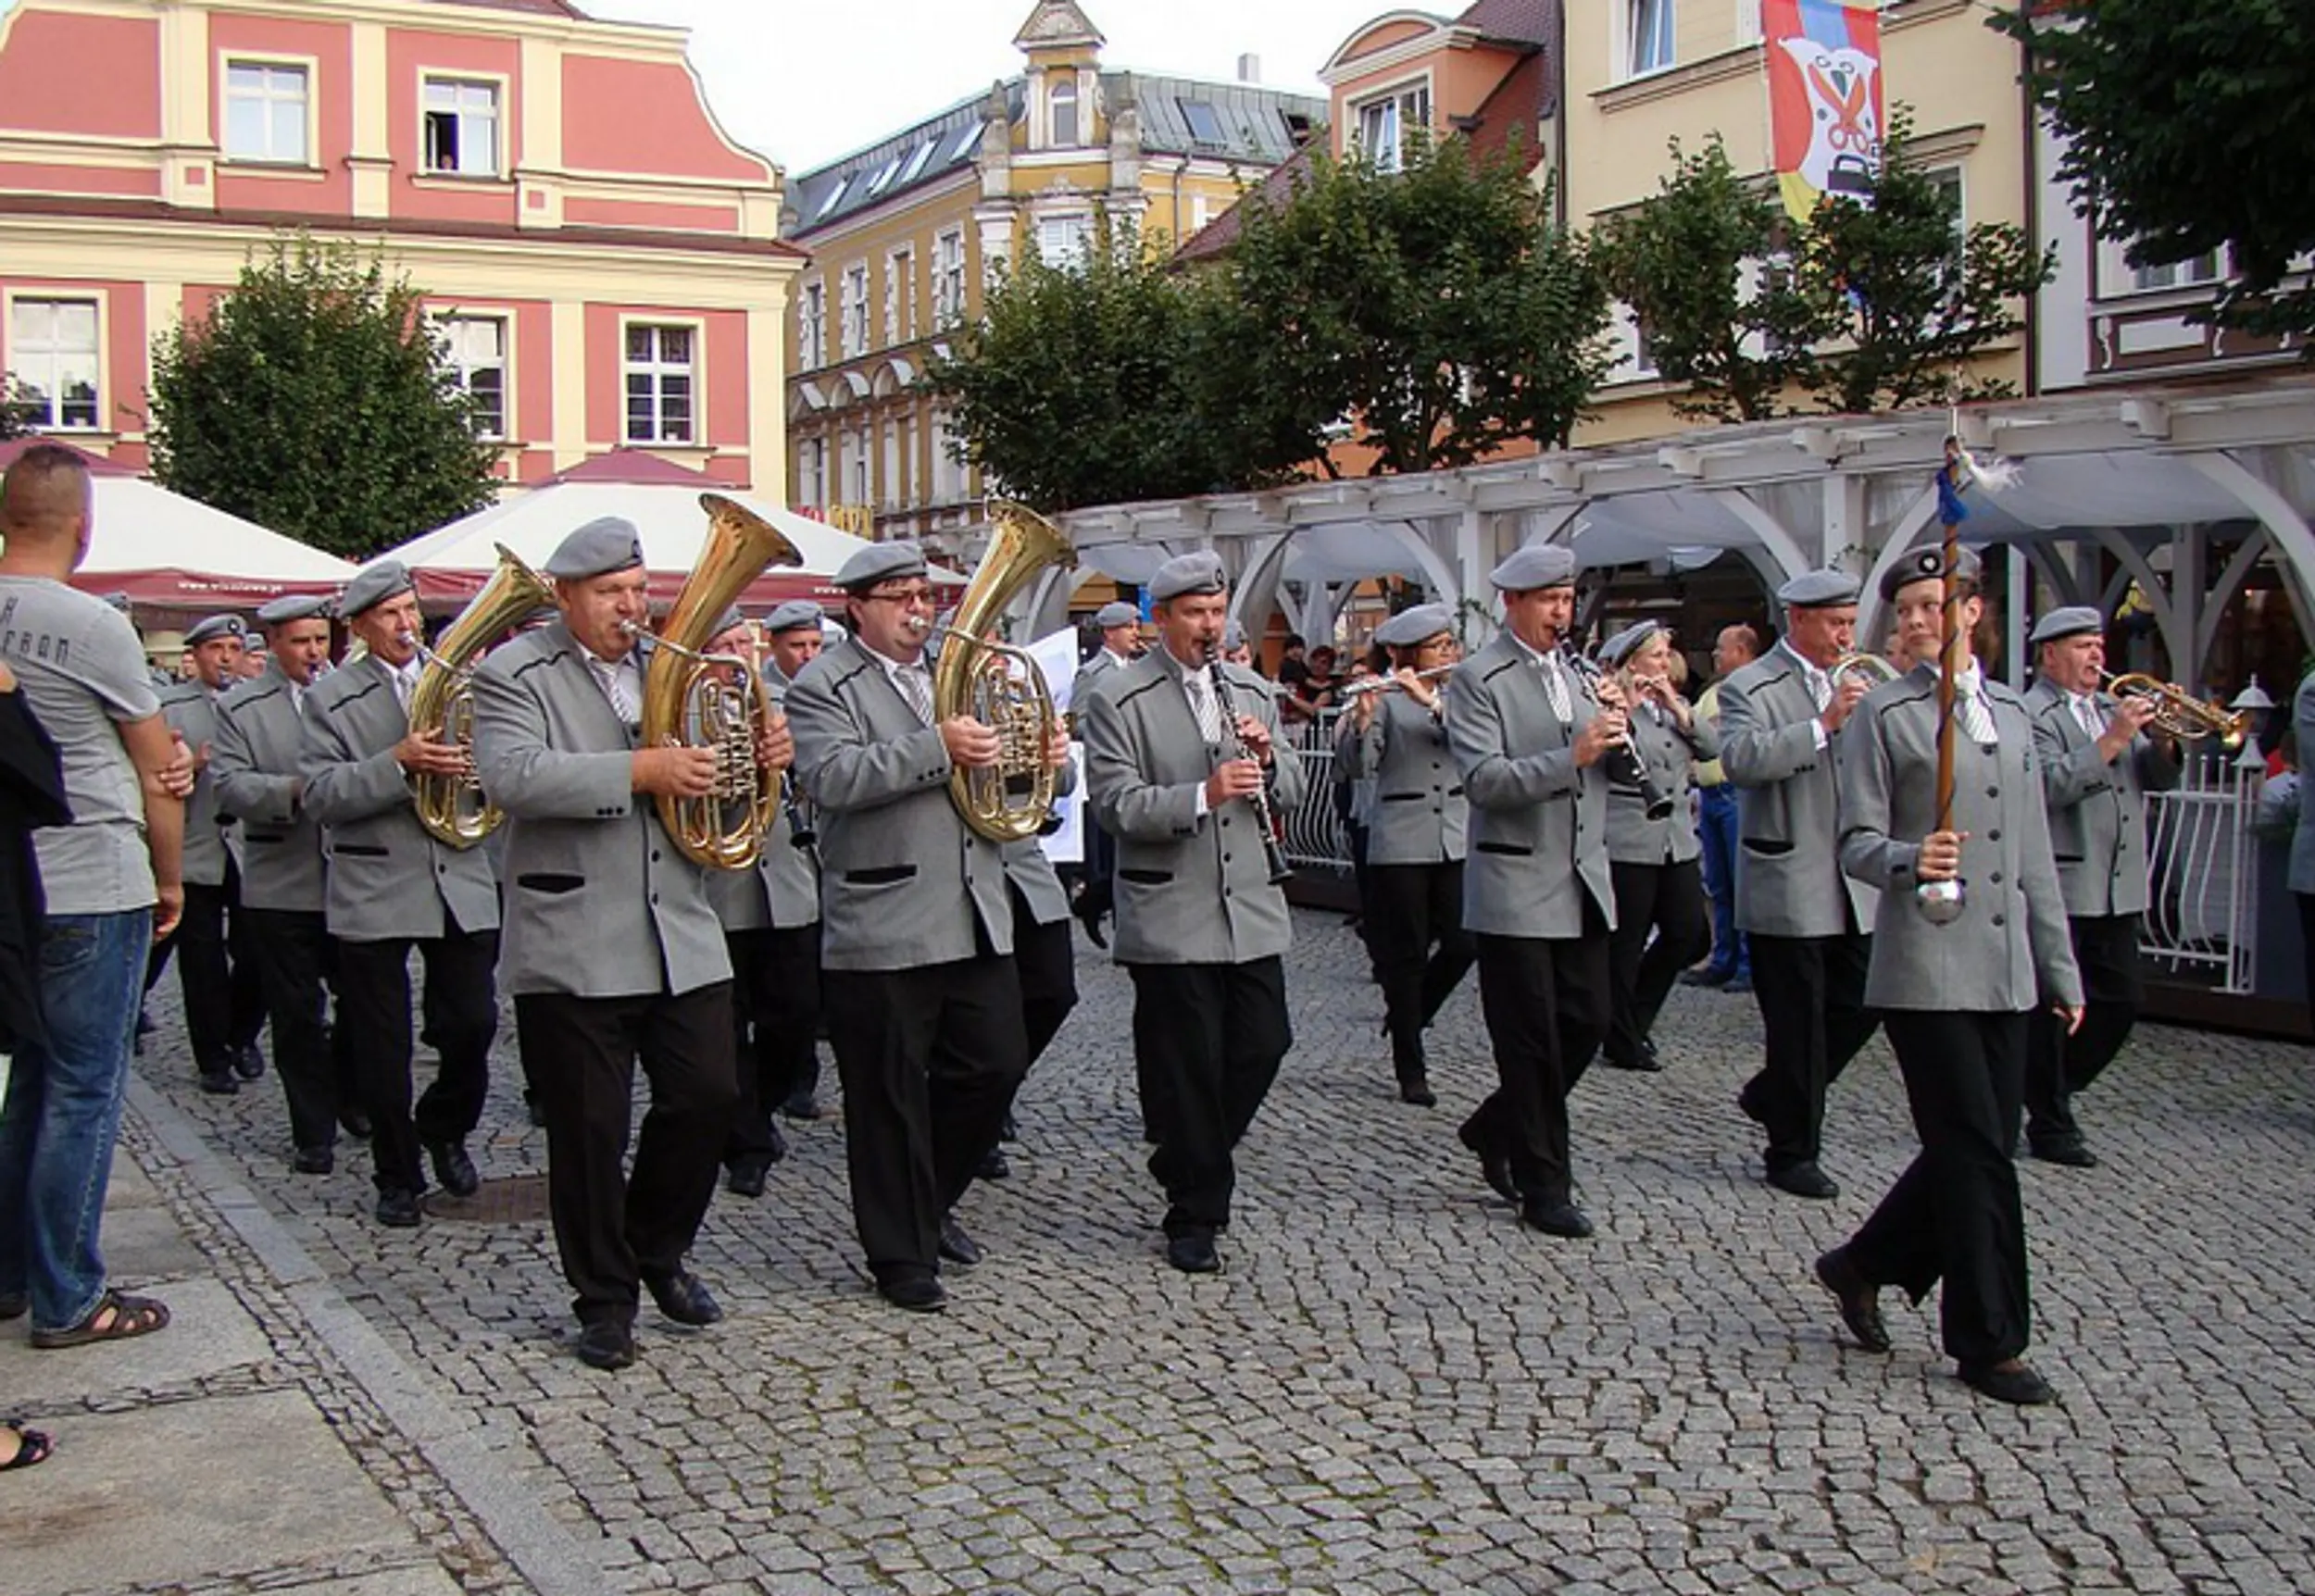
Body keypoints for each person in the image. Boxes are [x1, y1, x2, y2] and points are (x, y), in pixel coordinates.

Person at [471, 517, 776, 1371]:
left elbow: (719, 784)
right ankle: (604, 1300)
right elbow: (511, 777)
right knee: (588, 1132)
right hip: (573, 935)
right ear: (565, 596)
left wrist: (760, 758)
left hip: (679, 925)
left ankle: (653, 1246)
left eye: (639, 590)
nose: (631, 608)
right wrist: (637, 773)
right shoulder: (512, 673)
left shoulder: (671, 668)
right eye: (611, 594)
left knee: (710, 1097)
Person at [1816, 545, 2084, 1406]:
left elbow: (2033, 851)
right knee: (1975, 1151)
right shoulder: (1885, 718)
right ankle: (1989, 1341)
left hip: (2005, 966)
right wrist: (1908, 855)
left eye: (1935, 605)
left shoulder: (2007, 711)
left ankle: (1862, 1261)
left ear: (1973, 612)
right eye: (1906, 611)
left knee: (1980, 1143)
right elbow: (1853, 842)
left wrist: (2059, 965)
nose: (1919, 621)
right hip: (1926, 964)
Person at [785, 542, 1033, 1310]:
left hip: (970, 907)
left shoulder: (953, 675)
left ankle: (926, 1204)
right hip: (883, 913)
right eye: (900, 598)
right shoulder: (823, 683)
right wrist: (937, 746)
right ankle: (900, 1256)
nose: (919, 611)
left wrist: (1035, 759)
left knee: (996, 1064)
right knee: (887, 1093)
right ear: (857, 606)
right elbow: (829, 779)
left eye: (924, 596)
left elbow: (994, 778)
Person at [0, 443, 184, 1349]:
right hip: (90, 874)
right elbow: (161, 769)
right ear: (82, 524)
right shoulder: (94, 625)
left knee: (28, 1082)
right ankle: (71, 1290)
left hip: (11, 883)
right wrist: (171, 875)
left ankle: (9, 1272)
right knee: (84, 1086)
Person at [1082, 550, 1306, 1274]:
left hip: (1250, 906)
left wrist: (1270, 762)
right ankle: (1196, 1209)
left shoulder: (1250, 689)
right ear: (1162, 618)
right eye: (1195, 614)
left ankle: (1184, 1155)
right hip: (1170, 906)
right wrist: (1200, 795)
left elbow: (1296, 788)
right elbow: (1114, 804)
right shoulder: (1119, 698)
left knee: (1263, 1043)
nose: (1210, 627)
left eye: (1217, 613)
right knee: (1185, 1064)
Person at [300, 561, 504, 1228]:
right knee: (380, 1043)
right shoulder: (332, 699)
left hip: (460, 876)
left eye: (411, 610)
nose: (405, 624)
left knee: (474, 1023)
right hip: (374, 879)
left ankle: (444, 1124)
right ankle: (396, 1173)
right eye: (389, 614)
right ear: (358, 627)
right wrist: (396, 763)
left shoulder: (456, 685)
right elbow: (321, 795)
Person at [1444, 544, 1621, 1240]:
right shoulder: (1478, 678)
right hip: (1514, 879)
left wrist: (1619, 732)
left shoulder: (1579, 673)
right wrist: (1572, 755)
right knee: (1531, 1041)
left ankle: (1496, 1126)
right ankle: (1545, 1185)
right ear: (1512, 602)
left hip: (1580, 879)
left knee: (1589, 1019)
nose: (1561, 611)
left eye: (1567, 598)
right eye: (1548, 599)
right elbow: (1485, 781)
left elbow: (1608, 775)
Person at [1718, 570, 1882, 1200]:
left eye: (1850, 622)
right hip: (1788, 872)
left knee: (1863, 1003)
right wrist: (1821, 724)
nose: (1846, 635)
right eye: (1835, 623)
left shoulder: (1868, 680)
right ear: (1798, 620)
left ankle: (1772, 1095)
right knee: (1798, 1024)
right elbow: (1741, 761)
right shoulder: (1751, 684)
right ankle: (1793, 1151)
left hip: (1854, 876)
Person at [2021, 605, 2178, 1167]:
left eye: (2098, 646)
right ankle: (2050, 1122)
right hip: (2065, 880)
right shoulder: (2031, 712)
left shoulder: (2113, 709)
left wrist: (2159, 741)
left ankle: (2049, 1087)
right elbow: (2045, 786)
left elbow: (2158, 781)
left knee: (2121, 1003)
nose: (2097, 657)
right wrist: (2112, 739)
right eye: (2084, 646)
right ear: (2050, 654)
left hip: (2119, 885)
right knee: (2056, 1007)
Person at [214, 594, 362, 1175]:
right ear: (272, 643)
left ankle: (351, 1093)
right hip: (283, 880)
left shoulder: (349, 695)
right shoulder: (243, 706)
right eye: (301, 641)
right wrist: (295, 791)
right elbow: (228, 787)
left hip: (353, 875)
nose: (313, 653)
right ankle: (312, 1129)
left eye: (321, 640)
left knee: (363, 1003)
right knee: (297, 1013)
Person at [702, 600, 824, 1197]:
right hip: (717, 889)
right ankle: (744, 1142)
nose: (735, 663)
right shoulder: (681, 713)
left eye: (740, 650)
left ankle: (763, 1108)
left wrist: (791, 758)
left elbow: (823, 781)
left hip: (788, 883)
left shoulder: (785, 708)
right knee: (726, 1028)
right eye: (722, 651)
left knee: (795, 1017)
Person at [1335, 604, 1471, 1106]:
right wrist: (1364, 720)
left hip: (1453, 835)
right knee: (1407, 955)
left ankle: (1408, 1014)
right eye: (1439, 648)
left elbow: (1474, 746)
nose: (1449, 655)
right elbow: (1358, 767)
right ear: (1411, 654)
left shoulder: (1458, 697)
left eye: (1449, 646)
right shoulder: (1388, 699)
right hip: (1402, 840)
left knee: (1464, 942)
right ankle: (1410, 1064)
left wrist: (1434, 704)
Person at [1599, 620, 1718, 1073]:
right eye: (1656, 656)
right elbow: (1614, 767)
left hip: (1676, 842)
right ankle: (1623, 1036)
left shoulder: (1674, 707)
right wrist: (1625, 712)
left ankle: (1631, 1018)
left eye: (1668, 655)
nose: (1665, 663)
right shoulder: (1613, 708)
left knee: (1686, 931)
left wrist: (1677, 708)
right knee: (1625, 944)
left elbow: (1711, 749)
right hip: (1629, 840)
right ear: (1633, 663)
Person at [156, 614, 267, 1094]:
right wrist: (194, 766)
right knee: (200, 961)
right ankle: (212, 1057)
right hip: (197, 845)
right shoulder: (170, 705)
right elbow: (156, 774)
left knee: (258, 953)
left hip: (249, 848)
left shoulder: (254, 705)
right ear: (196, 655)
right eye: (215, 648)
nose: (225, 658)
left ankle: (242, 1034)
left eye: (232, 649)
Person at [1685, 624, 1758, 991]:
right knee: (1718, 884)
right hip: (1710, 795)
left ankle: (1746, 963)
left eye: (1722, 648)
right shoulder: (1714, 691)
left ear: (1743, 651)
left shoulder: (1754, 688)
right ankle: (1723, 956)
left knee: (1739, 880)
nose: (1715, 655)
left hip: (1734, 793)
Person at [1069, 599, 1142, 948]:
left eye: (1136, 626)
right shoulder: (1092, 674)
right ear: (1110, 633)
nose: (1136, 632)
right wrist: (1114, 729)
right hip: (1108, 773)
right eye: (1129, 626)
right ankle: (1094, 905)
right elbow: (1077, 722)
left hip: (1140, 770)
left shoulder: (1137, 670)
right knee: (1110, 856)